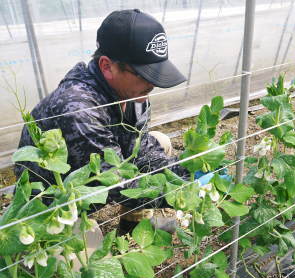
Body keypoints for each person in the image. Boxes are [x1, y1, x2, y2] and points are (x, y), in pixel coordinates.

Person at [15, 9, 189, 223]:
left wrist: (186, 173)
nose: (151, 84)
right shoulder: (78, 107)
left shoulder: (134, 92)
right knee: (83, 251)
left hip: (99, 179)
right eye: (143, 74)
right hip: (55, 201)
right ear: (107, 66)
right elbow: (116, 184)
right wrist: (182, 193)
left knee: (160, 141)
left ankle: (133, 226)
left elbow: (142, 150)